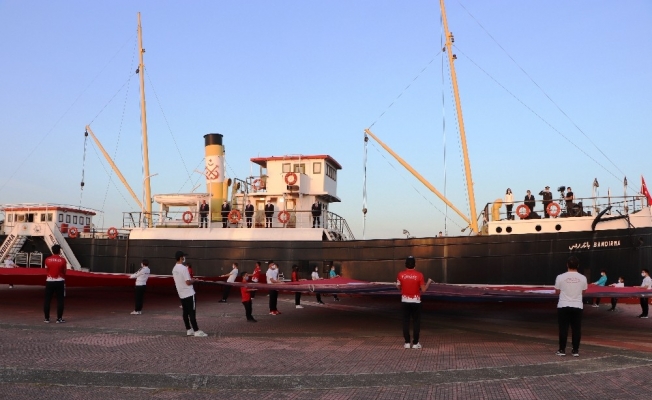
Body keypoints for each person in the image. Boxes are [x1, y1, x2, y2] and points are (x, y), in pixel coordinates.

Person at [396, 256, 433, 349]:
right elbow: (423, 290)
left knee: (405, 322)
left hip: (405, 301)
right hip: (416, 301)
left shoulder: (400, 274)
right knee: (416, 322)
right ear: (415, 264)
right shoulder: (419, 275)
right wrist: (429, 282)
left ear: (405, 264)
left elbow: (399, 287)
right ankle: (416, 343)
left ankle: (407, 343)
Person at [554, 256, 587, 357]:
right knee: (576, 329)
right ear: (578, 265)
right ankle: (575, 350)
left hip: (563, 305)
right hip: (577, 305)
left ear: (567, 265)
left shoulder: (560, 277)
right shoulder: (583, 278)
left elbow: (557, 292)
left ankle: (562, 350)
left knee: (563, 328)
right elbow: (583, 292)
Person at [172, 251, 207, 337]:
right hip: (189, 293)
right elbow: (188, 282)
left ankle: (188, 329)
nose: (184, 258)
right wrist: (194, 280)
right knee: (192, 312)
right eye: (183, 256)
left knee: (185, 312)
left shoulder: (174, 269)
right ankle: (196, 330)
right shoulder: (184, 268)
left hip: (181, 294)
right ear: (181, 258)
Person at [43, 244, 67, 323]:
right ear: (59, 251)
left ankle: (46, 318)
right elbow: (64, 271)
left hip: (49, 281)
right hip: (60, 281)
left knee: (47, 300)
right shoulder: (62, 260)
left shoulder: (47, 259)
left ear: (52, 251)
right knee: (60, 300)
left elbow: (47, 270)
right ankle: (59, 318)